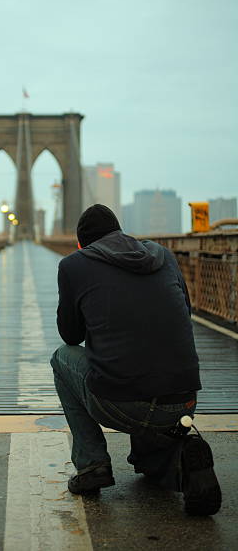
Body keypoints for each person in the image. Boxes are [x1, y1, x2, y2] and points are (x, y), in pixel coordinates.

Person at [50, 204, 221, 516]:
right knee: (149, 467)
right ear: (120, 232)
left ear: (82, 244)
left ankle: (92, 465)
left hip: (121, 403)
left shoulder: (74, 265)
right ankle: (184, 462)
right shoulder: (164, 255)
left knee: (62, 359)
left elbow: (70, 337)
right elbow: (184, 309)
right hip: (183, 400)